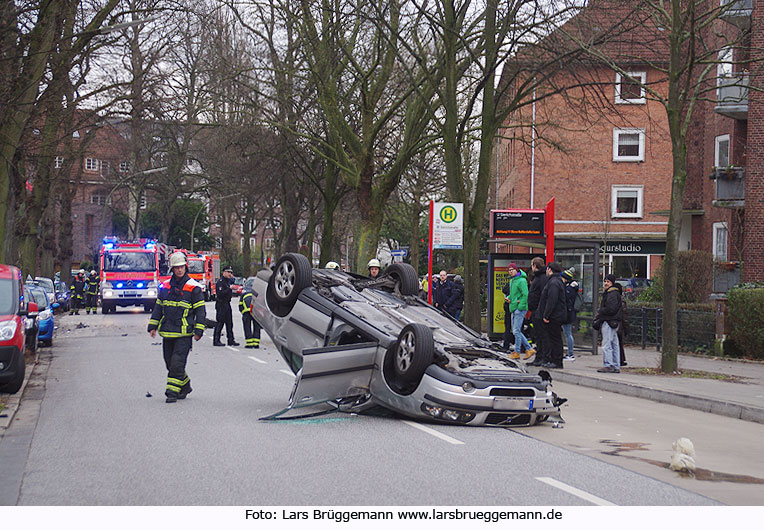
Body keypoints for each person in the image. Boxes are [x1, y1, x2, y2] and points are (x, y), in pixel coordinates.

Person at [147, 251, 205, 403]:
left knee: (177, 362)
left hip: (184, 333)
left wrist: (199, 330)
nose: (179, 270)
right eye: (176, 267)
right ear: (172, 269)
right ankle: (185, 386)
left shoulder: (194, 287)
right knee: (169, 362)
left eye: (182, 267)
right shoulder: (165, 287)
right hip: (167, 332)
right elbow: (158, 308)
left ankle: (171, 392)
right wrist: (153, 325)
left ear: (186, 267)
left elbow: (200, 311)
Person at [502, 263, 535, 360]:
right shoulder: (513, 280)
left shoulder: (521, 281)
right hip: (513, 307)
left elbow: (525, 294)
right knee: (516, 330)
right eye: (509, 270)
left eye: (512, 269)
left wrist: (520, 307)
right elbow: (513, 294)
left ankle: (519, 351)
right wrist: (509, 298)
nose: (510, 271)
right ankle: (527, 349)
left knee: (516, 330)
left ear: (516, 270)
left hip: (518, 308)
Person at [538, 262, 567, 369]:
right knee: (554, 338)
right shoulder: (556, 281)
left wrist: (546, 315)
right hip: (556, 315)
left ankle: (557, 360)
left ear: (549, 269)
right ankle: (554, 359)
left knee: (555, 339)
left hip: (554, 316)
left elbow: (552, 300)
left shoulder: (554, 283)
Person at [594, 274, 623, 373]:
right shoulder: (614, 293)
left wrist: (601, 311)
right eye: (605, 281)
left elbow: (611, 309)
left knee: (607, 344)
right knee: (614, 344)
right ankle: (615, 365)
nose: (606, 283)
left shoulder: (611, 294)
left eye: (608, 282)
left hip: (609, 321)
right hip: (613, 321)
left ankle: (608, 364)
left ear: (612, 283)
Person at [527, 257, 549, 366]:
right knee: (538, 335)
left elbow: (542, 295)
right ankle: (539, 357)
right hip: (536, 310)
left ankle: (543, 357)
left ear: (535, 266)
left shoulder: (541, 278)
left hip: (539, 311)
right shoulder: (539, 277)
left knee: (542, 336)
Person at [213, 265, 239, 346]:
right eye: (228, 272)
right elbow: (220, 294)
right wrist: (229, 289)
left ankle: (231, 340)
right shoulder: (221, 282)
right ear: (223, 272)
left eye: (231, 272)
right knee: (220, 322)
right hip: (221, 304)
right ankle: (216, 340)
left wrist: (232, 278)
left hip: (227, 303)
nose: (229, 274)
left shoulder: (228, 281)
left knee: (229, 323)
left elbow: (234, 280)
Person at [561, 268, 579, 361]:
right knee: (567, 333)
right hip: (569, 312)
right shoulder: (571, 287)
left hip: (568, 313)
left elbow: (566, 298)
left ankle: (571, 354)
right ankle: (570, 353)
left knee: (568, 334)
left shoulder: (569, 288)